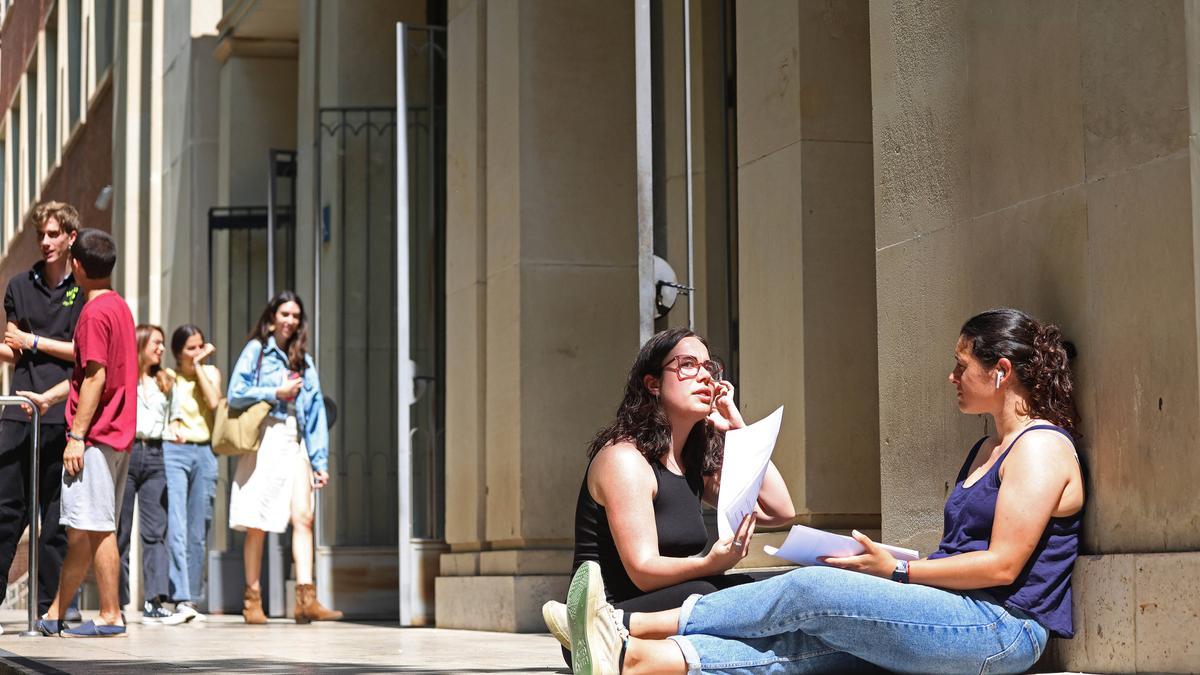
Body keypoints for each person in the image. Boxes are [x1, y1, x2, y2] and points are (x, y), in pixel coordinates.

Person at [569, 308, 1085, 675]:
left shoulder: (1039, 448)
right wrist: (900, 572)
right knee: (806, 646)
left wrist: (898, 570)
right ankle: (636, 659)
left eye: (962, 365)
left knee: (810, 589)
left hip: (1001, 629)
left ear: (1000, 372)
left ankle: (620, 624)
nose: (952, 376)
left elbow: (1002, 567)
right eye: (689, 366)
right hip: (959, 612)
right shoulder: (985, 450)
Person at [544, 328, 795, 655]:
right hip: (609, 623)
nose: (706, 377)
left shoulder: (691, 464)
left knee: (768, 591)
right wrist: (711, 562)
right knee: (714, 591)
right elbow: (644, 572)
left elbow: (779, 511)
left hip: (674, 607)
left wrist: (737, 428)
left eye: (709, 367)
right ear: (654, 384)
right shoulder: (625, 459)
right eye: (688, 365)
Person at [26, 228, 137, 637]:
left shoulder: (92, 312)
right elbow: (85, 374)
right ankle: (55, 612)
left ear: (77, 265)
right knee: (82, 531)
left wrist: (76, 435)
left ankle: (110, 614)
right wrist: (50, 398)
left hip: (96, 436)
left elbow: (95, 376)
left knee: (97, 525)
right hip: (117, 433)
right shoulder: (119, 307)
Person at [226, 291, 341, 624]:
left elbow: (317, 411)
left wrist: (320, 462)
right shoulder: (257, 352)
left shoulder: (304, 360)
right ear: (272, 317)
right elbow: (235, 393)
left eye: (295, 315)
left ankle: (306, 599)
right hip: (266, 436)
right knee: (258, 522)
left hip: (296, 439)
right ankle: (253, 600)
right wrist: (274, 392)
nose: (290, 320)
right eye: (284, 314)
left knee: (304, 517)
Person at [0, 202, 83, 626]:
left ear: (71, 238)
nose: (46, 242)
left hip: (63, 419)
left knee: (55, 525)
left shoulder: (83, 293)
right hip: (18, 418)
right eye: (41, 235)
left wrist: (33, 341)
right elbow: (10, 348)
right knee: (5, 515)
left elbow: (83, 355)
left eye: (54, 235)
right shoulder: (18, 285)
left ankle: (51, 612)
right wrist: (19, 345)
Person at [116, 324, 186, 624]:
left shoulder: (166, 381)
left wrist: (175, 429)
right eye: (156, 342)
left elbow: (176, 418)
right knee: (119, 531)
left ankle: (154, 600)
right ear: (141, 343)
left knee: (155, 532)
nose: (160, 348)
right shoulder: (123, 377)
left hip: (156, 455)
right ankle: (115, 602)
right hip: (127, 455)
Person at [163, 324, 221, 621]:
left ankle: (194, 599)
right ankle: (181, 596)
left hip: (206, 452)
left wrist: (199, 366)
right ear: (177, 352)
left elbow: (214, 403)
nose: (197, 351)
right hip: (175, 452)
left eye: (200, 346)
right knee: (177, 523)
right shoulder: (168, 377)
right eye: (191, 348)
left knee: (200, 528)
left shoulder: (210, 374)